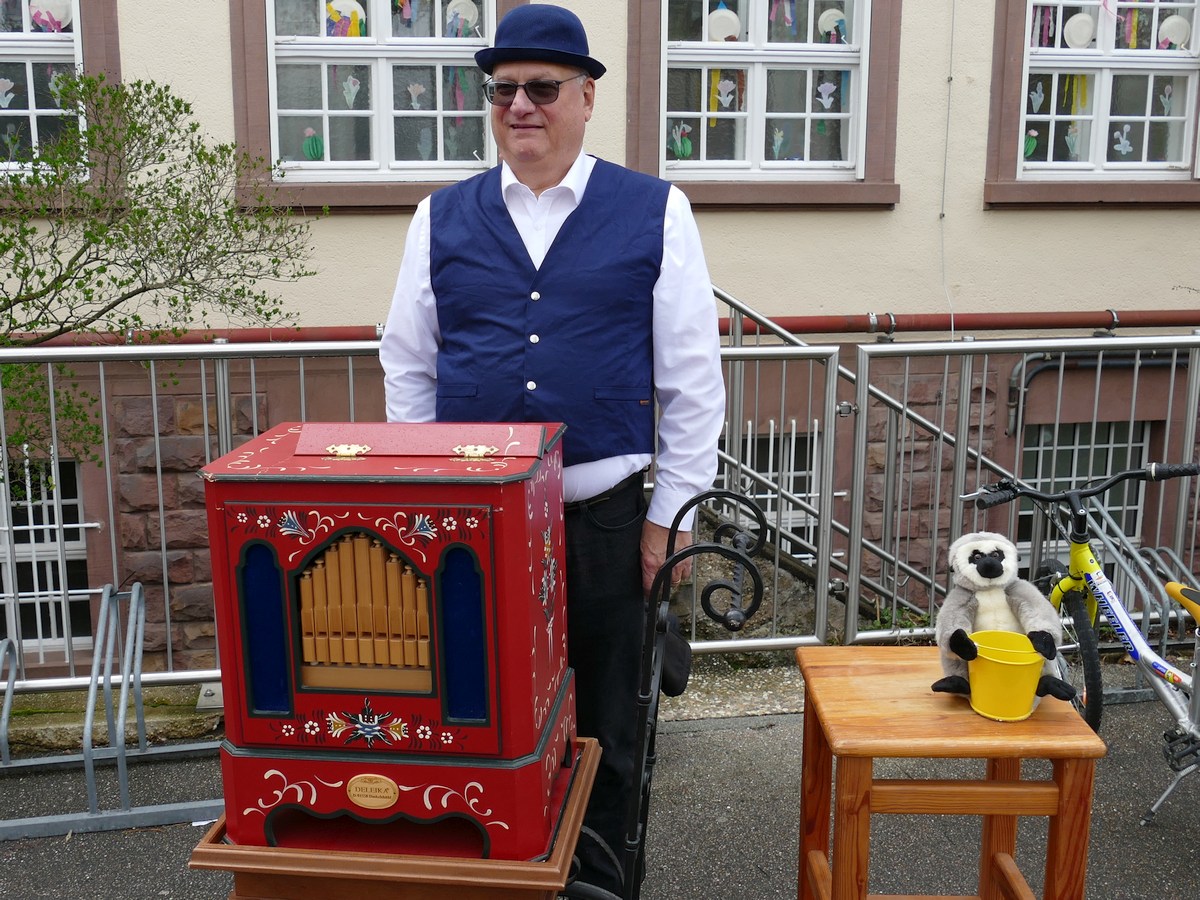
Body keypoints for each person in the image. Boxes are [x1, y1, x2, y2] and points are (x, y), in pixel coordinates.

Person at [379, 4, 724, 892]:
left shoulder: (656, 211)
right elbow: (409, 366)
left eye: (541, 87)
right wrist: (423, 502)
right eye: (503, 90)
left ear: (586, 97)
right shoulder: (440, 216)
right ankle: (496, 879)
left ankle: (601, 884)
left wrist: (671, 518)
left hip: (607, 523)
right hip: (474, 532)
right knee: (478, 718)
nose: (520, 106)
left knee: (609, 724)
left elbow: (692, 379)